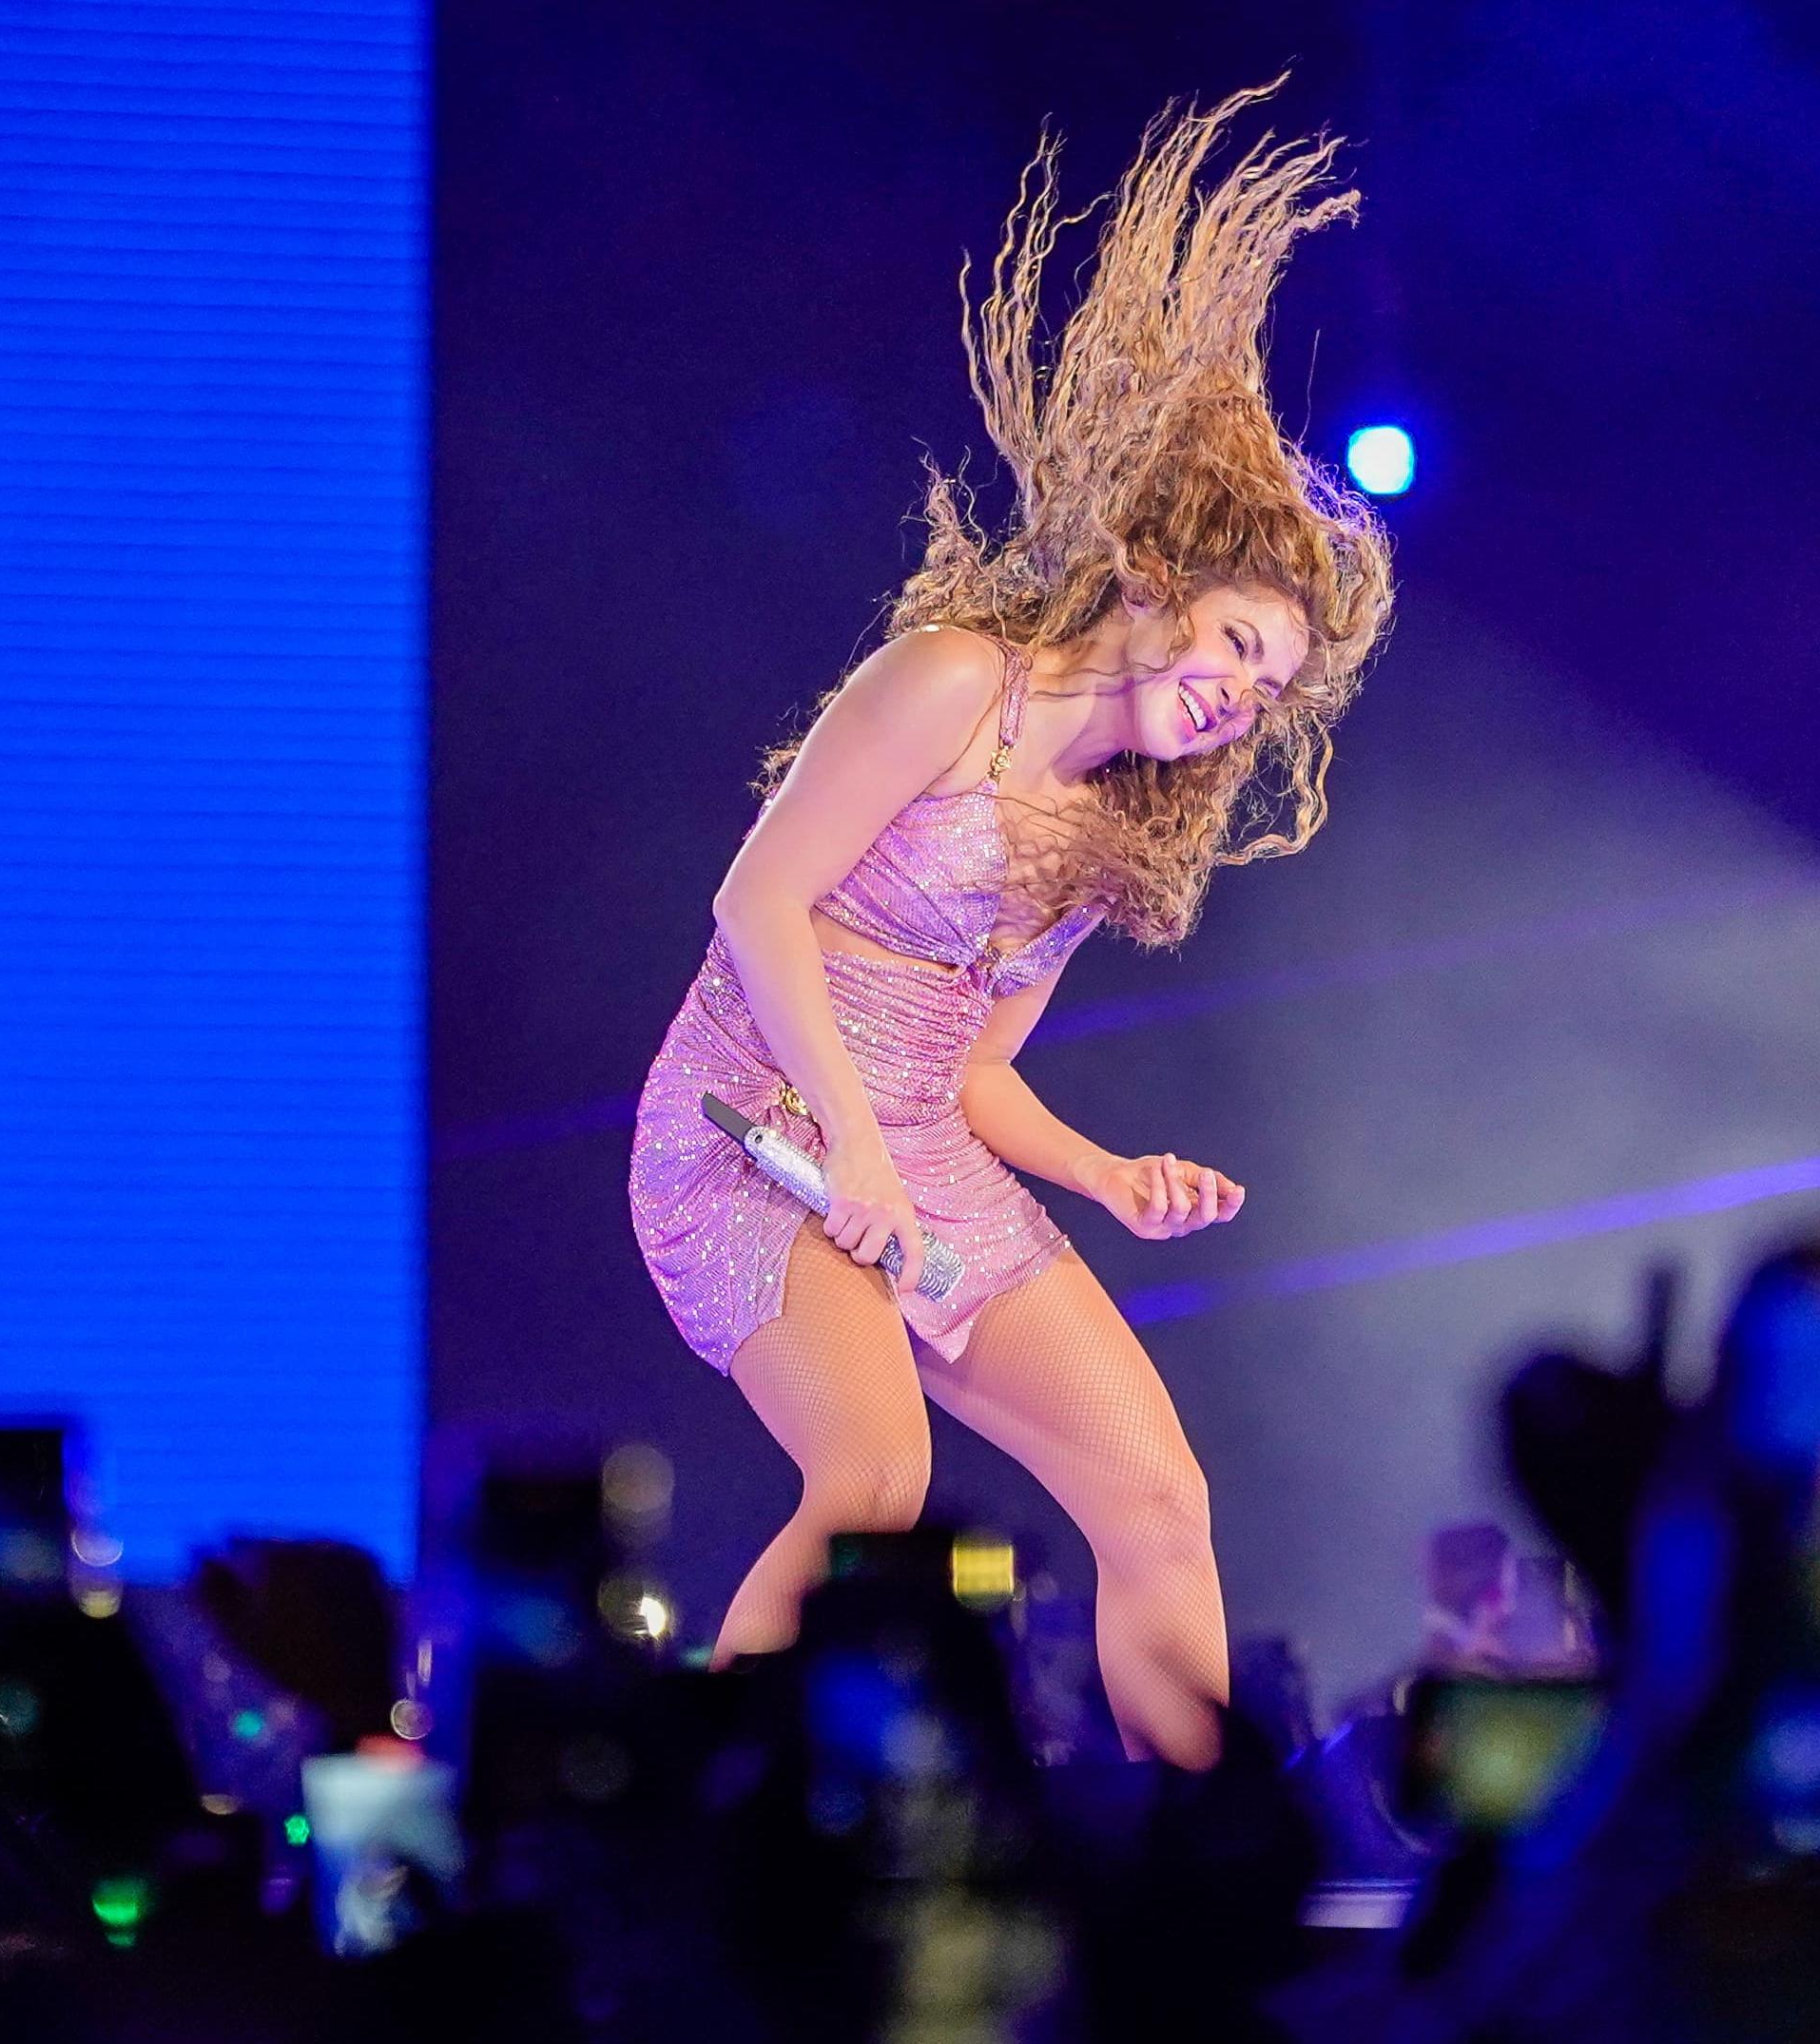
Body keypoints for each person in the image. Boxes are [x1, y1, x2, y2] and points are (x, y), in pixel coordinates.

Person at [626, 81, 1395, 1768]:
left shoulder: (1103, 836)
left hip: (909, 1155)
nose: (1236, 700)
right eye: (1234, 648)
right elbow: (755, 900)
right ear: (1150, 591)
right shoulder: (953, 680)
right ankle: (692, 1811)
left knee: (1160, 1497)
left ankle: (1202, 1858)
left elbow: (974, 1076)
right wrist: (856, 1145)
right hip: (751, 1126)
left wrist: (1109, 1175)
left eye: (1268, 694)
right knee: (877, 1481)